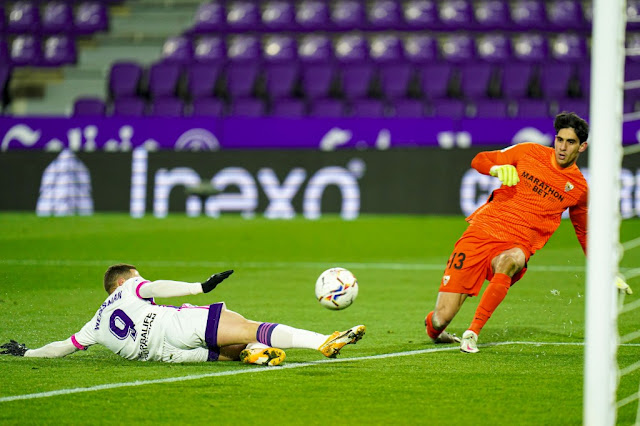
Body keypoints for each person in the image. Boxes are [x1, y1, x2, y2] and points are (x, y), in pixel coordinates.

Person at [425, 111, 598, 353]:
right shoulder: (529, 152)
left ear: (582, 147)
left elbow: (584, 232)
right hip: (482, 232)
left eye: (570, 142)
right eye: (560, 139)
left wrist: (603, 269)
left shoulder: (578, 188)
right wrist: (495, 169)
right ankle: (434, 328)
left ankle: (472, 332)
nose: (562, 147)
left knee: (512, 260)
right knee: (441, 318)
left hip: (517, 244)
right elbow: (479, 159)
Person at [1, 264, 365, 365]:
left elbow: (62, 347)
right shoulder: (130, 287)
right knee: (247, 325)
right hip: (176, 325)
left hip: (171, 357)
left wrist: (28, 352)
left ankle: (253, 354)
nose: (140, 279)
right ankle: (322, 342)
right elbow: (155, 287)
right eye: (136, 275)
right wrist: (199, 287)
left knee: (232, 345)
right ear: (123, 281)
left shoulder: (94, 324)